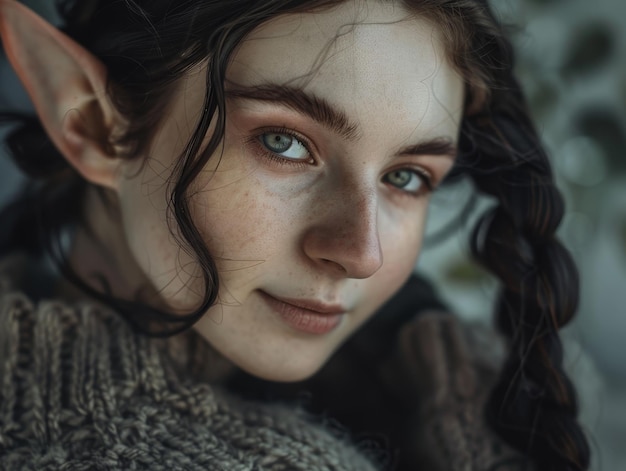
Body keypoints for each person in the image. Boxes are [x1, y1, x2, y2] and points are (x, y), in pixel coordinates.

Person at [0, 0, 590, 469]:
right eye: (284, 142)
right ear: (93, 123)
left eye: (405, 176)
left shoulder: (451, 372)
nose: (361, 253)